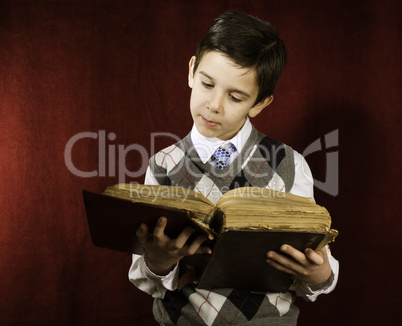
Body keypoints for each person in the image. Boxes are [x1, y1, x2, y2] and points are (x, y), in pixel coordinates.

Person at [129, 11, 339, 325]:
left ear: (260, 103)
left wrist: (320, 273)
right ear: (191, 71)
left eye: (236, 96)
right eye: (207, 84)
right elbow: (144, 277)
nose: (214, 104)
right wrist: (158, 263)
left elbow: (316, 263)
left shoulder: (289, 164)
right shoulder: (162, 166)